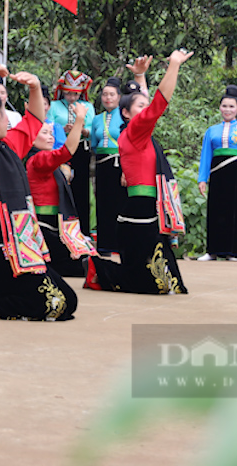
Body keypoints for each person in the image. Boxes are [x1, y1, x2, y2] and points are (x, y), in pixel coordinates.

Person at [0, 59, 78, 320]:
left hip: (18, 244)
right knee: (51, 305)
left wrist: (35, 87)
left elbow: (34, 120)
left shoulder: (10, 147)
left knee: (69, 300)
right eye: (5, 112)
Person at [85, 50, 193, 295]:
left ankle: (101, 269)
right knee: (153, 284)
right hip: (140, 213)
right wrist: (174, 65)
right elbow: (157, 104)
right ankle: (96, 268)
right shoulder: (134, 133)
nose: (145, 108)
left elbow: (144, 104)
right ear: (126, 113)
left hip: (143, 211)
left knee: (169, 284)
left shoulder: (135, 134)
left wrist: (141, 76)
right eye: (139, 105)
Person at [90, 56, 151, 255]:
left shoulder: (126, 115)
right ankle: (104, 245)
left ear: (119, 98)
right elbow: (93, 144)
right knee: (102, 204)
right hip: (102, 164)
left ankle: (119, 244)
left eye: (112, 95)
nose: (108, 98)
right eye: (104, 95)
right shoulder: (97, 119)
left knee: (120, 203)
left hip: (120, 164)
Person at [25, 112, 96, 278]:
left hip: (53, 225)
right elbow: (65, 152)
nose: (50, 137)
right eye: (44, 133)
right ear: (31, 139)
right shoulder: (38, 159)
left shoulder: (42, 158)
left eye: (51, 133)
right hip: (45, 227)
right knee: (82, 265)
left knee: (85, 259)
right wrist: (79, 120)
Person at [197, 85, 237, 261]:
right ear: (219, 107)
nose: (228, 110)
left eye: (232, 106)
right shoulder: (212, 131)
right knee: (216, 209)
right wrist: (202, 178)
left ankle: (233, 251)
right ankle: (213, 250)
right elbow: (206, 156)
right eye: (224, 106)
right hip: (217, 171)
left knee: (236, 210)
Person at [47, 70, 95, 236]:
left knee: (81, 189)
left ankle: (83, 232)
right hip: (60, 149)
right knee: (60, 186)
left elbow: (92, 128)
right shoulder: (54, 106)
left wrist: (81, 130)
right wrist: (62, 129)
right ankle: (61, 229)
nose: (72, 97)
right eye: (68, 93)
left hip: (81, 149)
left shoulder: (88, 106)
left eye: (75, 94)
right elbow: (49, 125)